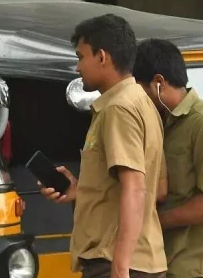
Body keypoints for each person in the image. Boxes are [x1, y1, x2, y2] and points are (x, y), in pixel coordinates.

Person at [39, 14, 167, 278]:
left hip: (117, 263)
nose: (77, 67)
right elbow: (157, 187)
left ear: (102, 57)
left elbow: (135, 187)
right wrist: (80, 190)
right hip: (139, 261)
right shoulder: (140, 102)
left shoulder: (118, 108)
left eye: (80, 56)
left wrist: (120, 268)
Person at [133, 38, 203, 278]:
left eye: (140, 91)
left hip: (201, 268)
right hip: (168, 263)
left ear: (159, 82)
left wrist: (153, 222)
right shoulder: (162, 123)